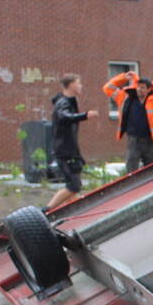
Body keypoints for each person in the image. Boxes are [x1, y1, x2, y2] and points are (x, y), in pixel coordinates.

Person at [102, 71, 153, 173]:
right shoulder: (125, 97)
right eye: (138, 87)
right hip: (133, 140)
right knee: (131, 169)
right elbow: (107, 88)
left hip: (150, 139)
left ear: (149, 89)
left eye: (142, 87)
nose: (139, 89)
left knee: (151, 170)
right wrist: (123, 78)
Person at [46, 74, 98, 211]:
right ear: (71, 85)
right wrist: (85, 115)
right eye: (78, 83)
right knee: (73, 186)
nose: (81, 86)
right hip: (65, 151)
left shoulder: (69, 101)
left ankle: (74, 210)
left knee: (75, 184)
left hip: (69, 150)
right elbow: (64, 117)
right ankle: (46, 210)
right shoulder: (63, 103)